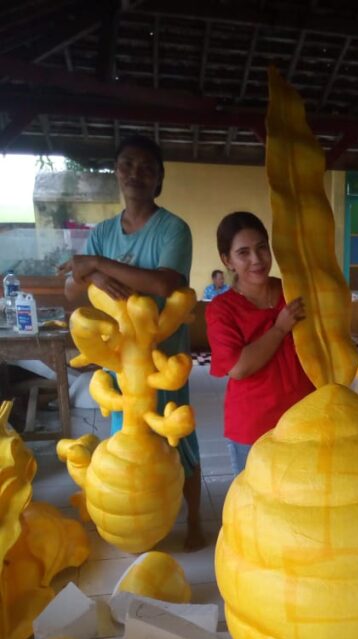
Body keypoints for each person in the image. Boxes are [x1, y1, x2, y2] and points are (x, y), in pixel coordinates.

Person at [61, 133, 205, 551]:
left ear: (159, 179)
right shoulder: (104, 230)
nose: (135, 173)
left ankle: (194, 521)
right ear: (117, 173)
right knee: (129, 444)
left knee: (179, 440)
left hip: (164, 360)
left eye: (146, 167)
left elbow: (164, 282)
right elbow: (73, 290)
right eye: (127, 164)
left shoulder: (173, 229)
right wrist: (92, 275)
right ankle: (145, 519)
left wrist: (96, 267)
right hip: (118, 361)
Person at [206, 211, 314, 475]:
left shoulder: (292, 291)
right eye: (243, 253)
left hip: (305, 421)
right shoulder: (222, 308)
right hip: (253, 427)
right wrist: (280, 328)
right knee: (254, 510)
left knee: (303, 507)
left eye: (262, 248)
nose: (256, 260)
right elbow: (239, 367)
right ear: (227, 261)